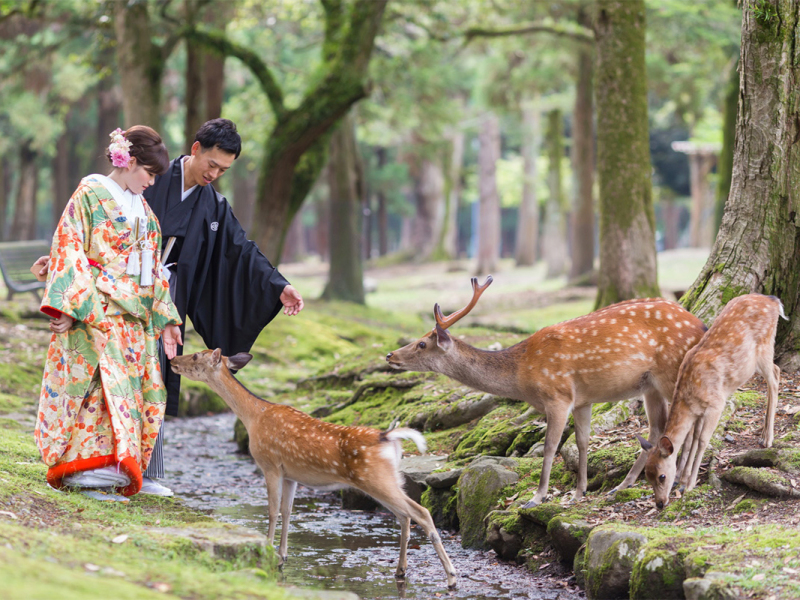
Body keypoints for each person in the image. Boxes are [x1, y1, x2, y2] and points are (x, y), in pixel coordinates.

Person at [34, 119, 304, 496]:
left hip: (159, 293)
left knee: (153, 377)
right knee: (105, 378)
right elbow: (80, 237)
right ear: (195, 149)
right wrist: (64, 284)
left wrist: (277, 285)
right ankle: (92, 463)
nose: (214, 174)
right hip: (107, 296)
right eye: (212, 164)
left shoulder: (205, 203)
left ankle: (143, 468)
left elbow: (239, 248)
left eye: (224, 171)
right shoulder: (138, 180)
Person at [35, 126, 183, 498]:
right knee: (97, 390)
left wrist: (167, 318)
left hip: (134, 319)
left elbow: (153, 269)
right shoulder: (89, 194)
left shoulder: (144, 211)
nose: (151, 182)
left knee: (132, 394)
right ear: (128, 161)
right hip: (96, 311)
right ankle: (83, 470)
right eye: (149, 173)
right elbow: (69, 248)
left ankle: (122, 468)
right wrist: (69, 307)